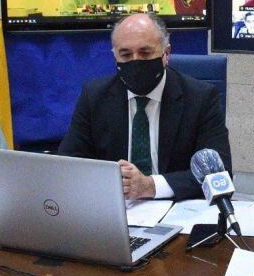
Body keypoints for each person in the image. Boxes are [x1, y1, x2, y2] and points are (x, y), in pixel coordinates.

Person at [59, 14, 231, 201]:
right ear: (115, 56)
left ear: (166, 54)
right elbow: (68, 165)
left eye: (145, 53)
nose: (136, 61)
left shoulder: (201, 98)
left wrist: (150, 186)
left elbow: (219, 175)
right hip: (115, 209)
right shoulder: (94, 96)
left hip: (176, 211)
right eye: (126, 55)